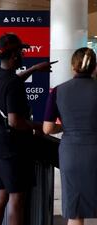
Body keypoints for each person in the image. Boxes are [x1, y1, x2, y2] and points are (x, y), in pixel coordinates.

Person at [0, 33, 53, 225]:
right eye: (21, 52)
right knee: (17, 199)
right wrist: (37, 126)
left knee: (1, 196)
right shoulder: (13, 83)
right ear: (15, 55)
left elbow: (13, 81)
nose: (23, 55)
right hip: (12, 146)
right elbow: (15, 121)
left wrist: (33, 69)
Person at [43, 47, 97, 225]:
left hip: (71, 154)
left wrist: (65, 126)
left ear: (73, 67)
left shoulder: (58, 91)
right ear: (94, 67)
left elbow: (47, 129)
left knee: (75, 210)